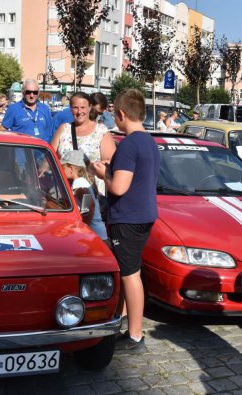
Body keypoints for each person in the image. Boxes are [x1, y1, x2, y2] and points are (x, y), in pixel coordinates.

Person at [92, 88, 160, 353]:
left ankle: (135, 336)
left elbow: (119, 188)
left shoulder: (129, 144)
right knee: (130, 271)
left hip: (128, 217)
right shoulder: (150, 141)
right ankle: (122, 322)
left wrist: (102, 174)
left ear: (121, 114)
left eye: (114, 115)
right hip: (144, 215)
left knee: (130, 274)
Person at [50, 92, 116, 196]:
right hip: (65, 196)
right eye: (75, 107)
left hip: (92, 196)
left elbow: (109, 163)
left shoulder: (101, 131)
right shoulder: (64, 129)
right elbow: (49, 160)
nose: (79, 111)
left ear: (90, 107)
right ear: (70, 109)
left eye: (83, 107)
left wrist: (87, 168)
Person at [60, 150, 108, 242]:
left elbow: (90, 205)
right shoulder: (83, 181)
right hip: (98, 233)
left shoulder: (78, 183)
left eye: (63, 167)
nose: (62, 171)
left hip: (94, 235)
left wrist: (83, 226)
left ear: (71, 168)